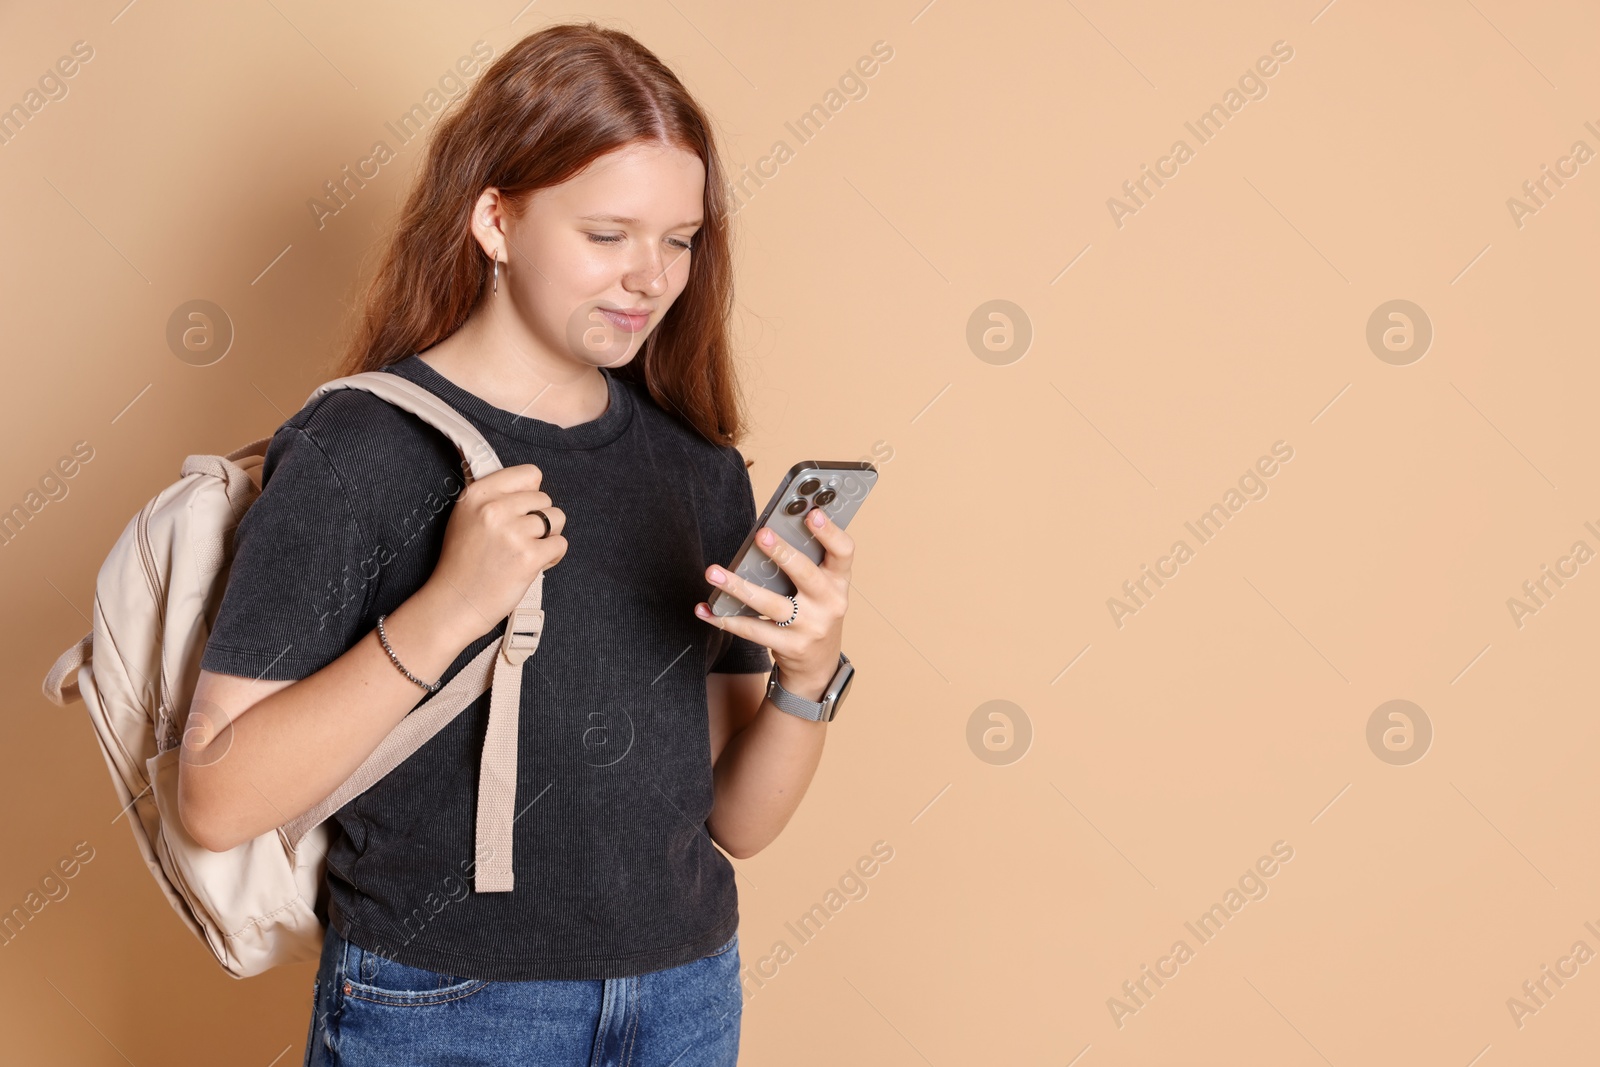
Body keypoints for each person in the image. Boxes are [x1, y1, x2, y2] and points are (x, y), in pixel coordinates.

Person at [175, 21, 859, 1066]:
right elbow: (216, 796)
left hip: (684, 997)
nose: (650, 277)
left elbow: (736, 821)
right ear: (495, 219)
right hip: (443, 1004)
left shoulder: (698, 468)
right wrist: (451, 603)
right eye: (607, 234)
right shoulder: (361, 445)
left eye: (679, 239)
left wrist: (807, 680)